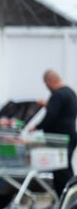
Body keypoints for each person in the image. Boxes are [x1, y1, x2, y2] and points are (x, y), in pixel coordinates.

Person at [37, 69, 77, 197]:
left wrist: (38, 127)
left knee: (61, 170)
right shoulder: (70, 93)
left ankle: (64, 198)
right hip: (70, 135)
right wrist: (49, 105)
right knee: (66, 167)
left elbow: (51, 116)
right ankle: (68, 198)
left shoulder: (57, 95)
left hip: (58, 138)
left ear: (49, 81)